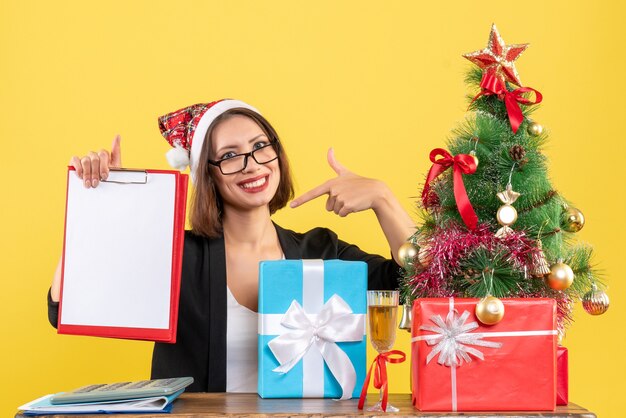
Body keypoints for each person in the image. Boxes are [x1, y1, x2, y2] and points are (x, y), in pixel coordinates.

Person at [47, 99, 415, 392]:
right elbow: (68, 306)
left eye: (260, 147)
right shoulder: (178, 256)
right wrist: (98, 202)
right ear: (205, 173)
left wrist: (384, 199)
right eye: (229, 155)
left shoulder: (323, 251)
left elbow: (421, 288)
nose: (252, 165)